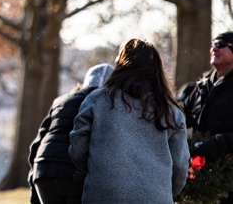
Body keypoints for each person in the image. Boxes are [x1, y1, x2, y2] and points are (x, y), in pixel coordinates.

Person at [69, 38, 189, 204]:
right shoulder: (171, 112)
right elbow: (181, 167)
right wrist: (164, 190)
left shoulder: (97, 100)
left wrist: (98, 170)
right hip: (155, 197)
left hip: (104, 195)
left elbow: (78, 147)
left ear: (120, 64)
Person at [27, 63, 114, 204]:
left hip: (44, 169)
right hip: (73, 173)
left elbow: (37, 144)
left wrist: (34, 178)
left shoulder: (61, 101)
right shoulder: (104, 104)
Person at [179, 30, 233, 203]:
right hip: (201, 175)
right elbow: (179, 115)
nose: (214, 49)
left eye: (220, 45)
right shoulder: (201, 85)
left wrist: (217, 144)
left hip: (228, 180)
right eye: (213, 45)